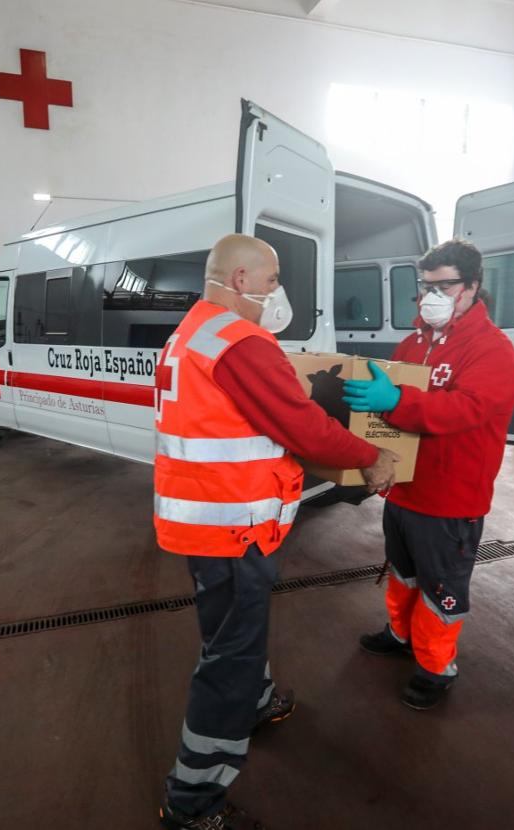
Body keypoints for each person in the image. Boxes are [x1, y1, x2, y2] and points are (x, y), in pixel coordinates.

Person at [155, 234, 399, 829]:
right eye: (272, 279)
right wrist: (370, 455)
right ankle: (193, 803)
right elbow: (304, 427)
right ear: (240, 280)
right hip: (235, 528)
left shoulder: (193, 330)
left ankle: (257, 701)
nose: (277, 291)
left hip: (206, 523)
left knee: (230, 633)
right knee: (228, 661)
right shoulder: (241, 343)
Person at [341, 239, 514, 711]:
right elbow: (390, 417)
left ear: (473, 288)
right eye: (425, 286)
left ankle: (436, 667)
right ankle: (400, 635)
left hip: (450, 496)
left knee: (441, 585)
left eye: (445, 286)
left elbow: (467, 409)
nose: (431, 296)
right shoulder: (413, 343)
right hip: (405, 490)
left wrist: (397, 402)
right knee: (403, 574)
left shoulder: (492, 350)